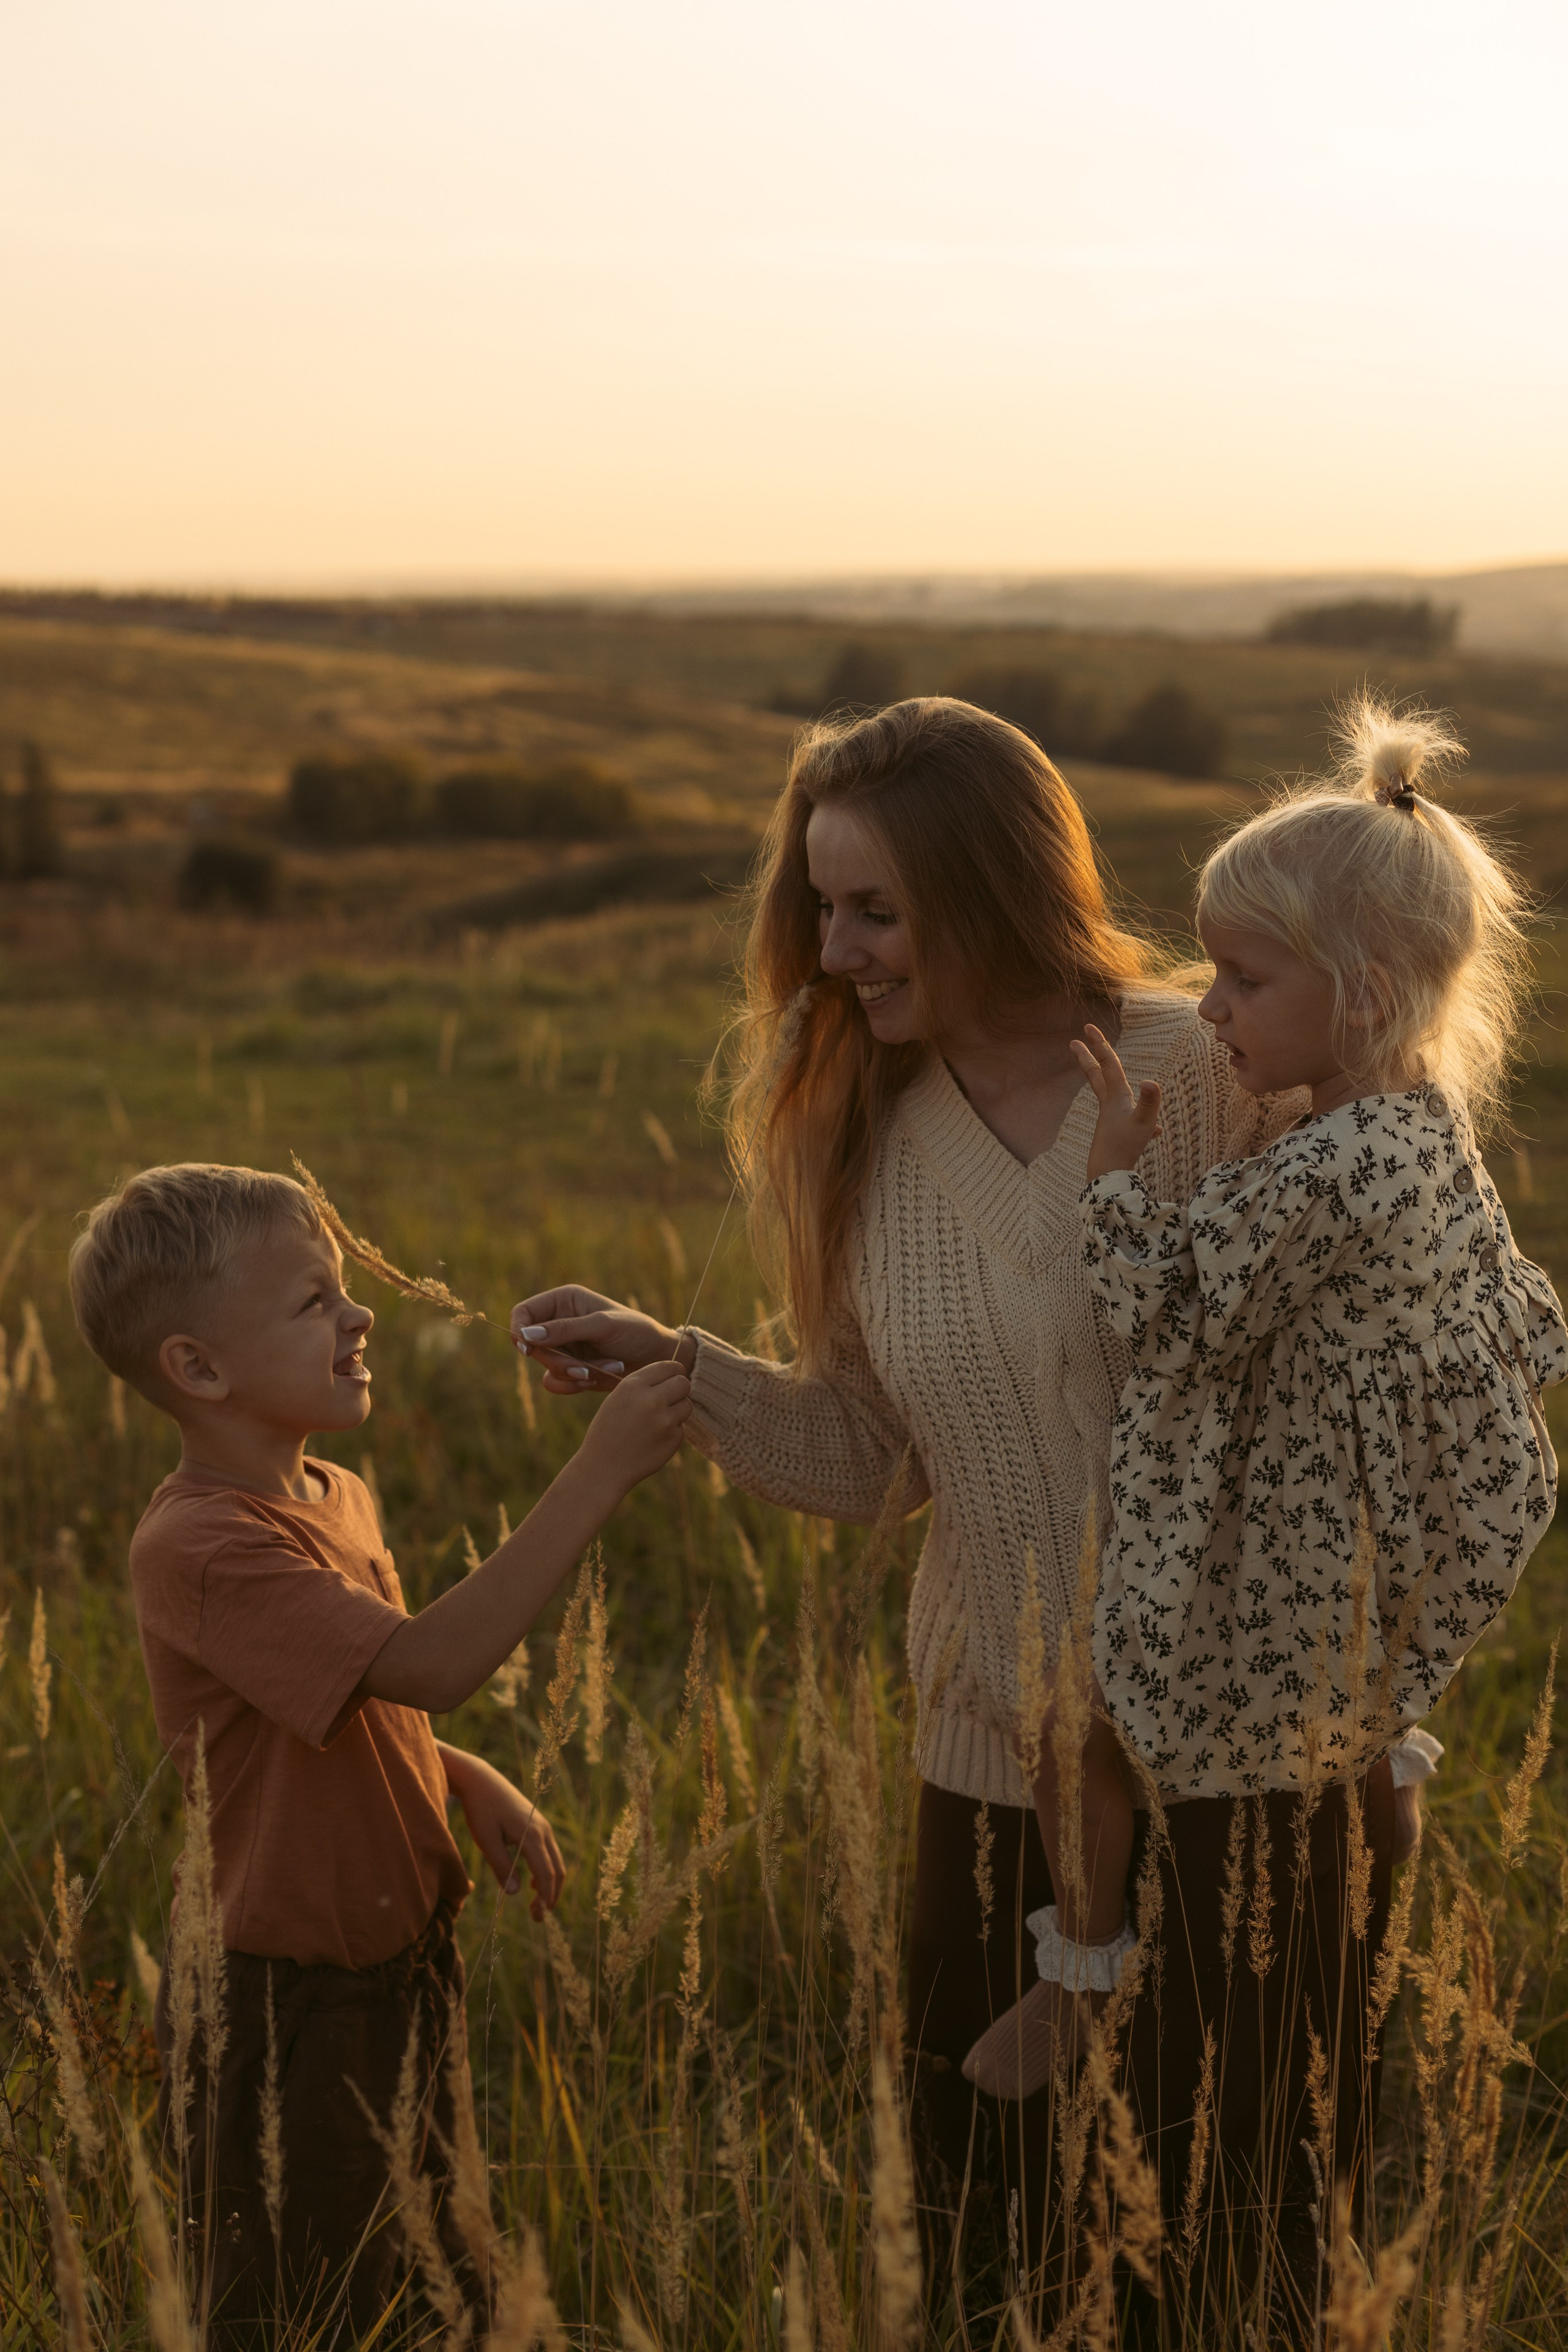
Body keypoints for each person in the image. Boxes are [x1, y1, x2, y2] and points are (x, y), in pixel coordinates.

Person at [509, 695, 1311, 2265]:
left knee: (1237, 2226)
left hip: (1243, 1742)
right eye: (819, 907)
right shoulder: (856, 1136)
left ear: (994, 889)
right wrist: (676, 1365)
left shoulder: (1206, 1071)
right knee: (990, 2237)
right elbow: (876, 1459)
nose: (832, 952)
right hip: (996, 1760)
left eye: (875, 910)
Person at [963, 702, 1566, 2168]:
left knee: (1091, 1717)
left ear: (1357, 995)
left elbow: (1164, 1317)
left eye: (1239, 977)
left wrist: (1111, 1179)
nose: (1209, 1007)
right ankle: (1370, 1921)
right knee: (1360, 1738)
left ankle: (1078, 1968)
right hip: (1369, 1542)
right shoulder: (1421, 1130)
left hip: (1279, 1550)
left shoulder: (1330, 1164)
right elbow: (1525, 1315)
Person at [68, 1163, 690, 2345]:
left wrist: (460, 1775)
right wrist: (597, 1471)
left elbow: (356, 1697)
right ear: (196, 1369)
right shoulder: (200, 1546)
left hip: (406, 1964)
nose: (359, 1317)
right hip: (289, 2004)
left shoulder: (332, 1492)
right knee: (303, 2298)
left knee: (434, 2265)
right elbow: (428, 1664)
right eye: (314, 1303)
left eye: (346, 1291)